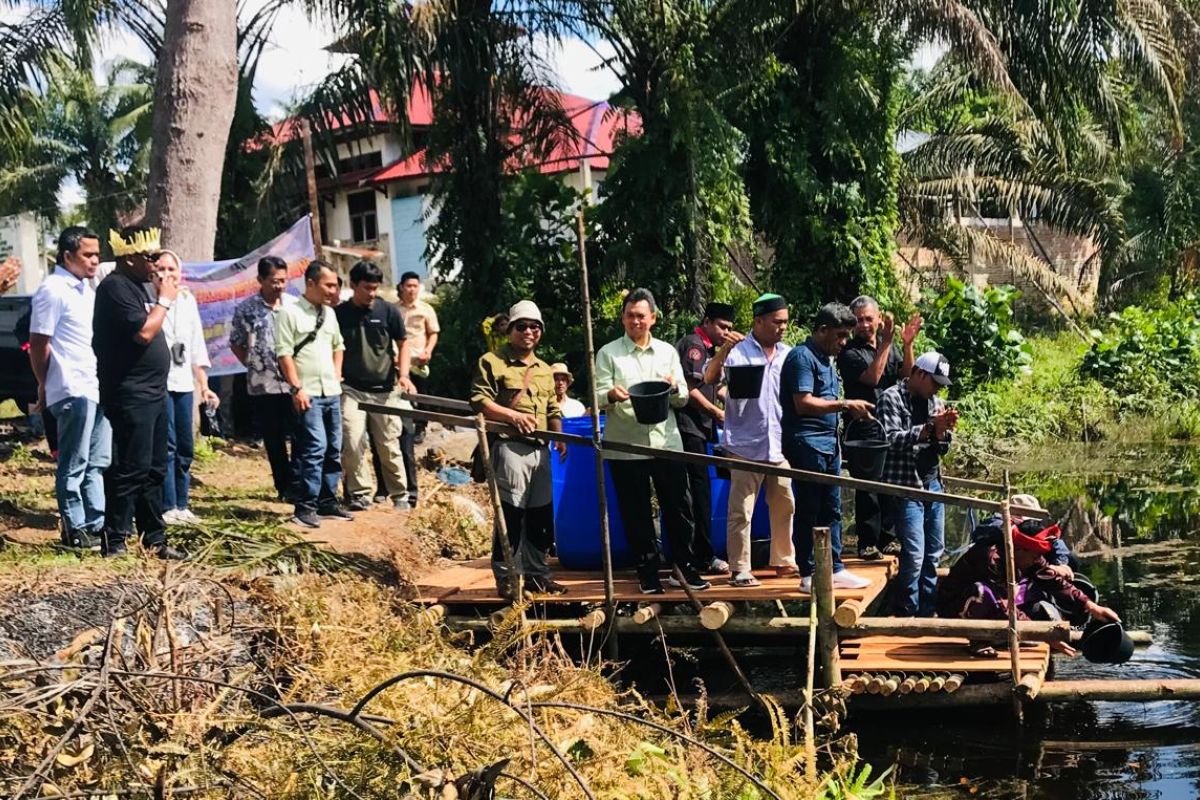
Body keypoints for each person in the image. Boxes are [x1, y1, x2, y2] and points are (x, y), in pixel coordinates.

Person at [595, 288, 710, 595]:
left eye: (641, 316)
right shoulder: (608, 353)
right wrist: (609, 395)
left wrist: (674, 389)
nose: (636, 321)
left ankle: (684, 568)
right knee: (636, 513)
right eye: (630, 315)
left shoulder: (667, 353)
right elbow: (593, 397)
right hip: (625, 444)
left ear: (653, 318)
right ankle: (647, 573)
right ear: (623, 318)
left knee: (680, 507)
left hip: (666, 442)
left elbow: (684, 397)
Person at [92, 225, 187, 560]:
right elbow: (144, 334)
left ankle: (154, 539)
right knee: (132, 467)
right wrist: (164, 300)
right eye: (150, 258)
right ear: (129, 257)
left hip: (154, 392)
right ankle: (114, 539)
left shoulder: (138, 285)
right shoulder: (114, 288)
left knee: (155, 468)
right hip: (131, 393)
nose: (156, 265)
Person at [471, 300, 567, 597]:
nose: (529, 332)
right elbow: (479, 401)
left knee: (540, 515)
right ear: (511, 330)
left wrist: (559, 436)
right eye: (522, 326)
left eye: (534, 327)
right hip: (510, 446)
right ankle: (508, 579)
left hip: (540, 450)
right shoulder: (492, 361)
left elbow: (553, 407)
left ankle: (539, 576)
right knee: (510, 515)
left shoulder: (543, 369)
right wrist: (512, 416)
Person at [703, 293, 799, 586]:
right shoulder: (737, 351)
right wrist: (723, 352)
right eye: (776, 322)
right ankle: (740, 568)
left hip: (778, 443)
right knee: (741, 509)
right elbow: (709, 379)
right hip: (745, 443)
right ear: (759, 321)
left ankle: (783, 560)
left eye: (785, 322)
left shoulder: (788, 353)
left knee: (785, 502)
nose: (782, 327)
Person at [781, 302, 872, 592]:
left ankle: (835, 567)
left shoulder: (827, 359)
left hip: (829, 443)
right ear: (822, 330)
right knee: (809, 507)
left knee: (831, 508)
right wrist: (845, 403)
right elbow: (803, 403)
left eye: (847, 336)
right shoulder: (802, 358)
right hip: (806, 443)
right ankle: (808, 572)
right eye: (840, 336)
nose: (844, 343)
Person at [28, 227, 109, 549]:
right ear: (67, 255)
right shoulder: (53, 289)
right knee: (73, 462)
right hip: (71, 386)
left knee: (97, 461)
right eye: (88, 254)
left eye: (97, 254)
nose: (94, 261)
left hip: (96, 385)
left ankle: (96, 524)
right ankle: (74, 528)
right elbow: (38, 343)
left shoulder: (87, 290)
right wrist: (44, 382)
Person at [936, 521, 1120, 657]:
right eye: (1034, 556)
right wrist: (1043, 635)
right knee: (982, 592)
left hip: (995, 607)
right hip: (957, 608)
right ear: (1020, 550)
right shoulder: (990, 558)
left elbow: (1054, 581)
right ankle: (978, 640)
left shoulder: (1029, 557)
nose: (1036, 560)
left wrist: (1090, 605)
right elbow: (1004, 605)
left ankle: (1000, 636)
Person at [837, 296, 921, 560]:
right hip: (863, 428)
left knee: (889, 481)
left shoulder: (889, 346)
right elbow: (872, 378)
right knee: (868, 486)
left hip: (889, 425)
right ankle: (867, 542)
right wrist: (886, 341)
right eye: (859, 320)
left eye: (868, 319)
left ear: (878, 319)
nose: (863, 325)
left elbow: (907, 377)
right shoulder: (849, 352)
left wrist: (906, 345)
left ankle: (889, 537)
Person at [877, 351, 958, 616]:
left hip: (933, 483)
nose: (936, 388)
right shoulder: (891, 397)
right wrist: (926, 429)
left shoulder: (936, 402)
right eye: (933, 382)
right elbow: (889, 440)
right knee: (914, 555)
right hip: (906, 484)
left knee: (935, 552)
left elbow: (942, 449)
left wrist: (942, 432)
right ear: (918, 374)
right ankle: (906, 611)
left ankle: (928, 610)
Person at [276, 260, 352, 528]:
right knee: (314, 448)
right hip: (308, 393)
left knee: (334, 447)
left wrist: (336, 374)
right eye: (328, 284)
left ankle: (328, 501)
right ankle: (305, 506)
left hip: (331, 391)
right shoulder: (289, 313)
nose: (333, 290)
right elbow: (283, 353)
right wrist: (296, 388)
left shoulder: (329, 314)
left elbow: (338, 345)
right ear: (311, 283)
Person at [336, 260, 417, 511]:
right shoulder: (339, 314)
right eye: (366, 288)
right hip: (351, 388)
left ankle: (400, 494)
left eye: (375, 288)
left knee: (388, 444)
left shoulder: (388, 311)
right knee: (352, 440)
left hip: (384, 390)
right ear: (353, 285)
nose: (371, 294)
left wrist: (404, 375)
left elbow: (403, 344)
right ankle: (360, 493)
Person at [156, 251, 220, 525]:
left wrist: (204, 385)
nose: (167, 274)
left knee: (185, 446)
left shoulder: (187, 300)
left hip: (183, 384)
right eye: (161, 268)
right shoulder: (149, 300)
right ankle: (167, 505)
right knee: (167, 446)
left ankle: (182, 503)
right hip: (159, 384)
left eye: (172, 268)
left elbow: (196, 347)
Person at [229, 256, 298, 502]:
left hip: (294, 383)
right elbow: (235, 342)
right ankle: (284, 487)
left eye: (283, 280)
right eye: (274, 281)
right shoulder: (247, 309)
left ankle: (300, 482)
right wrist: (251, 363)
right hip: (263, 384)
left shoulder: (294, 305)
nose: (279, 286)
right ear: (260, 280)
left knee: (299, 434)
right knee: (274, 437)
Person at [675, 302, 736, 575]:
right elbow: (689, 388)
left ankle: (699, 553)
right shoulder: (694, 345)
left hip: (703, 429)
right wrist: (715, 412)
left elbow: (716, 387)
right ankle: (700, 555)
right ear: (708, 322)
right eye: (722, 326)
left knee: (702, 492)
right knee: (696, 494)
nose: (725, 332)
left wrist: (735, 405)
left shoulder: (713, 351)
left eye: (730, 328)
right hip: (689, 428)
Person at [398, 271, 439, 444]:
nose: (412, 290)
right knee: (400, 396)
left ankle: (421, 427)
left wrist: (428, 351)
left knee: (422, 395)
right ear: (401, 287)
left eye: (415, 286)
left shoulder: (425, 309)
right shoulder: (393, 309)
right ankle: (403, 428)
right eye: (408, 286)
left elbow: (434, 333)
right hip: (398, 361)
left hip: (419, 360)